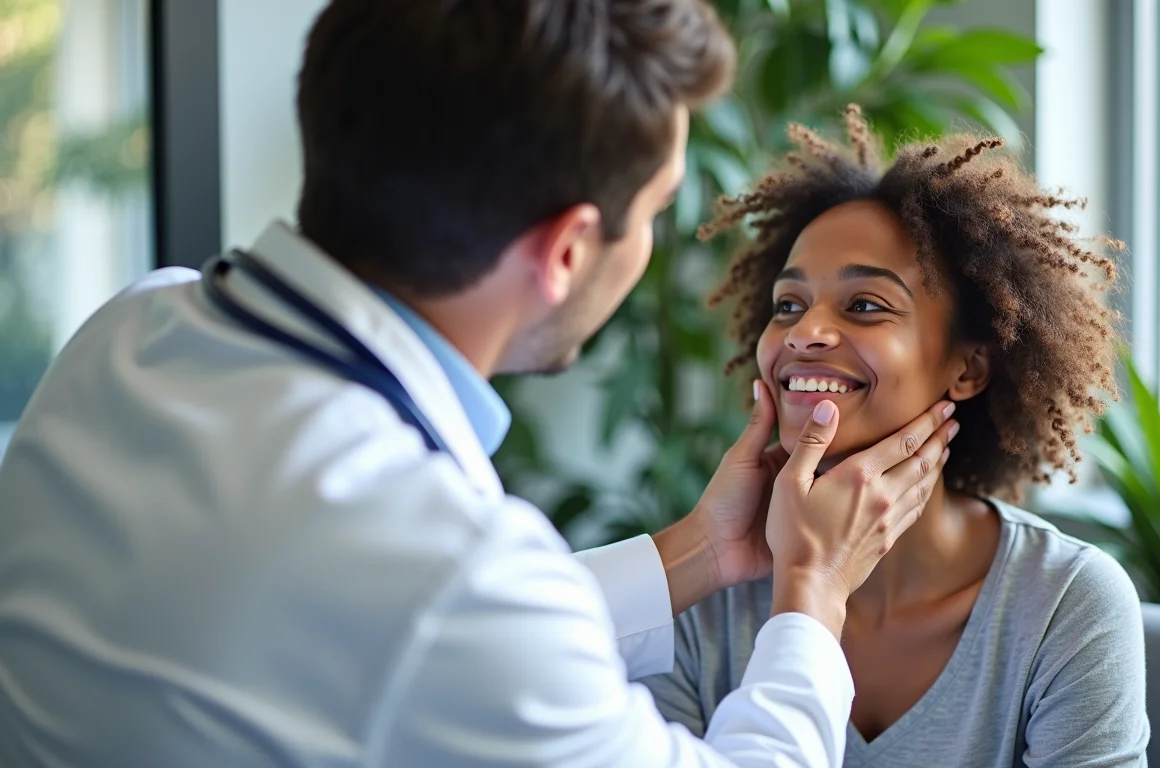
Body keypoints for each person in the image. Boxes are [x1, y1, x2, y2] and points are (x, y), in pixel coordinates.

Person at [0, 4, 960, 767]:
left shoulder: (132, 329)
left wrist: (700, 553)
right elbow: (450, 623)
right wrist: (813, 595)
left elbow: (396, 639)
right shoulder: (442, 568)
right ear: (570, 249)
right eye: (658, 208)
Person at [640, 105, 1151, 767]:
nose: (802, 334)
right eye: (787, 306)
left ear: (967, 368)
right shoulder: (703, 601)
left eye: (864, 306)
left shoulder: (1064, 605)